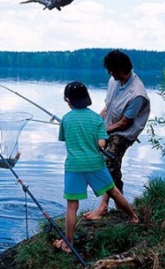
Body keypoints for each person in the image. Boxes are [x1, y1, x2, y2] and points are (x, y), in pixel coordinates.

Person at [53, 81, 139, 253]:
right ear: (87, 98)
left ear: (67, 100)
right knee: (113, 191)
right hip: (95, 164)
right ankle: (134, 217)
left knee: (72, 205)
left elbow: (64, 138)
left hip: (74, 166)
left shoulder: (66, 119)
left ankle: (68, 244)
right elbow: (101, 143)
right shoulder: (96, 119)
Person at [83, 50, 151, 220]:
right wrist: (95, 123)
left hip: (124, 133)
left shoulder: (137, 94)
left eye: (111, 70)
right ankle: (114, 203)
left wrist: (102, 131)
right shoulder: (114, 81)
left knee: (109, 162)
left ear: (121, 69)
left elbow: (125, 123)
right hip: (109, 126)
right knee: (106, 163)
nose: (109, 73)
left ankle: (107, 207)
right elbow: (108, 108)